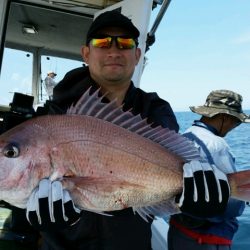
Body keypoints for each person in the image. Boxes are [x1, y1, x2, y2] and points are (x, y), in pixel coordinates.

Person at [25, 11, 230, 250]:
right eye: (102, 42)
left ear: (137, 55)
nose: (114, 51)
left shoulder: (155, 111)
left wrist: (195, 204)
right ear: (86, 54)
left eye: (124, 43)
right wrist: (36, 220)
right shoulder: (52, 116)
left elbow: (170, 185)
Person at [168, 89, 250, 250]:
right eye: (236, 121)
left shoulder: (185, 136)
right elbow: (231, 204)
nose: (235, 126)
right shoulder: (216, 145)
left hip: (179, 232)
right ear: (224, 117)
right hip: (205, 240)